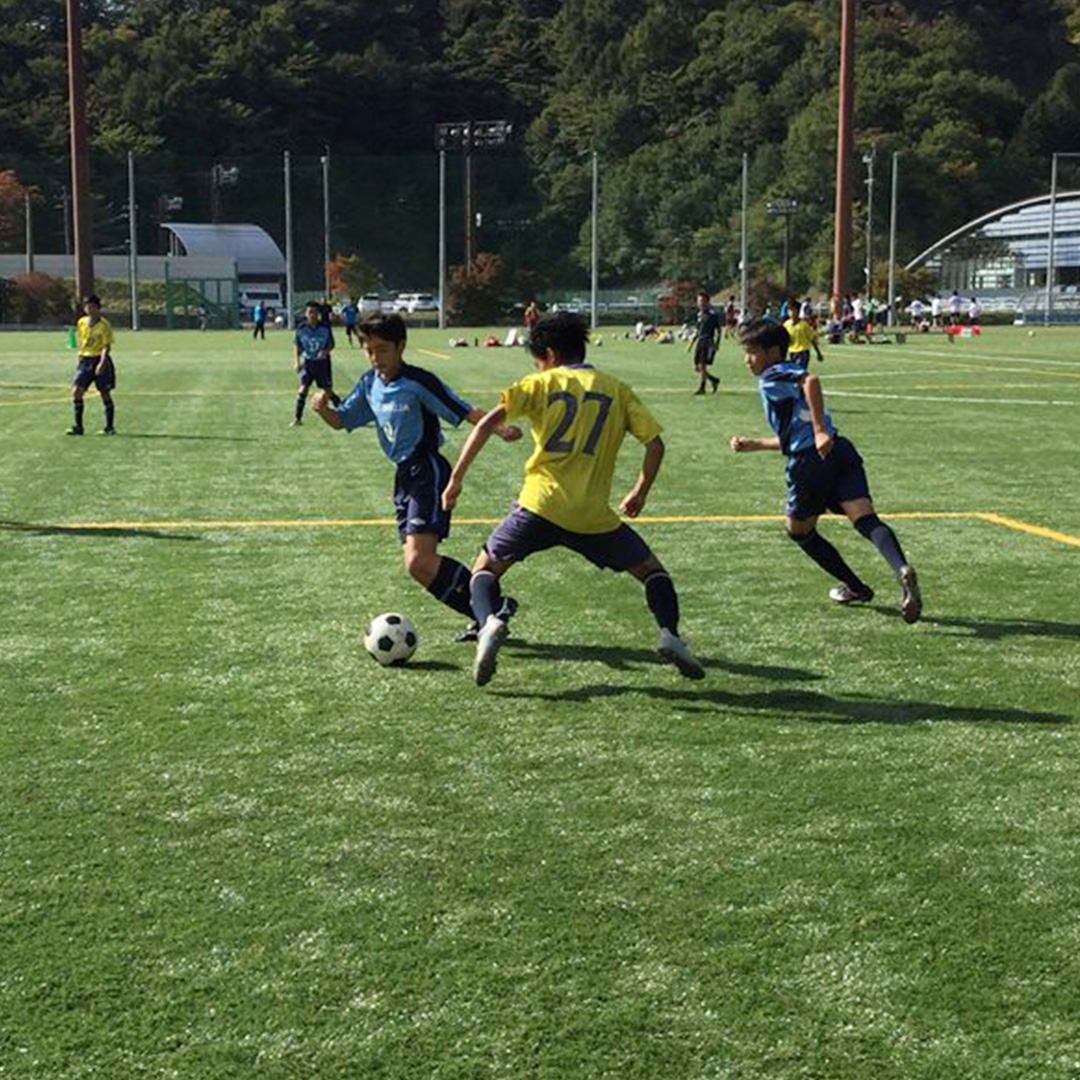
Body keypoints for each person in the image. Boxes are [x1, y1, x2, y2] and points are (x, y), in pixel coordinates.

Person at [441, 310, 705, 687]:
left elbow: (486, 422)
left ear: (547, 354)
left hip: (539, 505)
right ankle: (670, 635)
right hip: (593, 516)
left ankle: (488, 624)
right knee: (652, 572)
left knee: (483, 570)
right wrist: (639, 491)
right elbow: (655, 445)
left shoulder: (540, 383)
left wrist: (456, 478)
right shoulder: (616, 388)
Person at [312, 313, 521, 640]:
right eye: (369, 350)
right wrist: (322, 409)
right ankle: (490, 612)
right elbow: (343, 421)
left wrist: (500, 429)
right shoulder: (370, 383)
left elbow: (463, 408)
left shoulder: (419, 381)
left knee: (418, 561)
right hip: (404, 478)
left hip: (427, 470)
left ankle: (491, 609)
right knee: (419, 566)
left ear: (400, 346)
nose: (375, 357)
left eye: (382, 349)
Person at [730, 320, 922, 622]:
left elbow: (812, 381)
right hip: (839, 451)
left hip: (810, 464)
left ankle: (856, 587)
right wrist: (756, 444)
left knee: (799, 531)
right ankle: (901, 568)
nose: (747, 359)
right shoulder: (784, 376)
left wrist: (819, 431)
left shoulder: (773, 375)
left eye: (752, 352)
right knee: (865, 518)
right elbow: (798, 432)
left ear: (773, 352)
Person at [67, 294, 117, 436]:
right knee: (77, 391)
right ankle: (78, 427)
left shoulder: (104, 325)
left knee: (105, 393)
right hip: (85, 361)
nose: (90, 310)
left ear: (98, 308)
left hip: (100, 359)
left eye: (93, 307)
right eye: (87, 307)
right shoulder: (81, 322)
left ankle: (109, 427)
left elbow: (106, 346)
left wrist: (102, 362)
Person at [292, 300, 340, 427]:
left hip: (322, 364)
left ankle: (344, 413)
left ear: (318, 314)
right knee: (303, 389)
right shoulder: (301, 329)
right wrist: (297, 361)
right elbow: (297, 345)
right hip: (308, 363)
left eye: (314, 312)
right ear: (306, 314)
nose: (311, 315)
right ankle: (297, 419)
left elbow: (331, 344)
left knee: (328, 391)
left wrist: (325, 351)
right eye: (309, 312)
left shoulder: (325, 328)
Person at [688, 290, 721, 394]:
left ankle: (702, 387)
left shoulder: (712, 314)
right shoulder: (699, 315)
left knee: (702, 365)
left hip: (708, 341)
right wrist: (691, 343)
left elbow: (718, 330)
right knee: (697, 367)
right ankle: (714, 380)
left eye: (702, 301)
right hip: (700, 341)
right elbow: (698, 330)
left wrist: (716, 344)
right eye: (698, 301)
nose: (700, 303)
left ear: (707, 302)